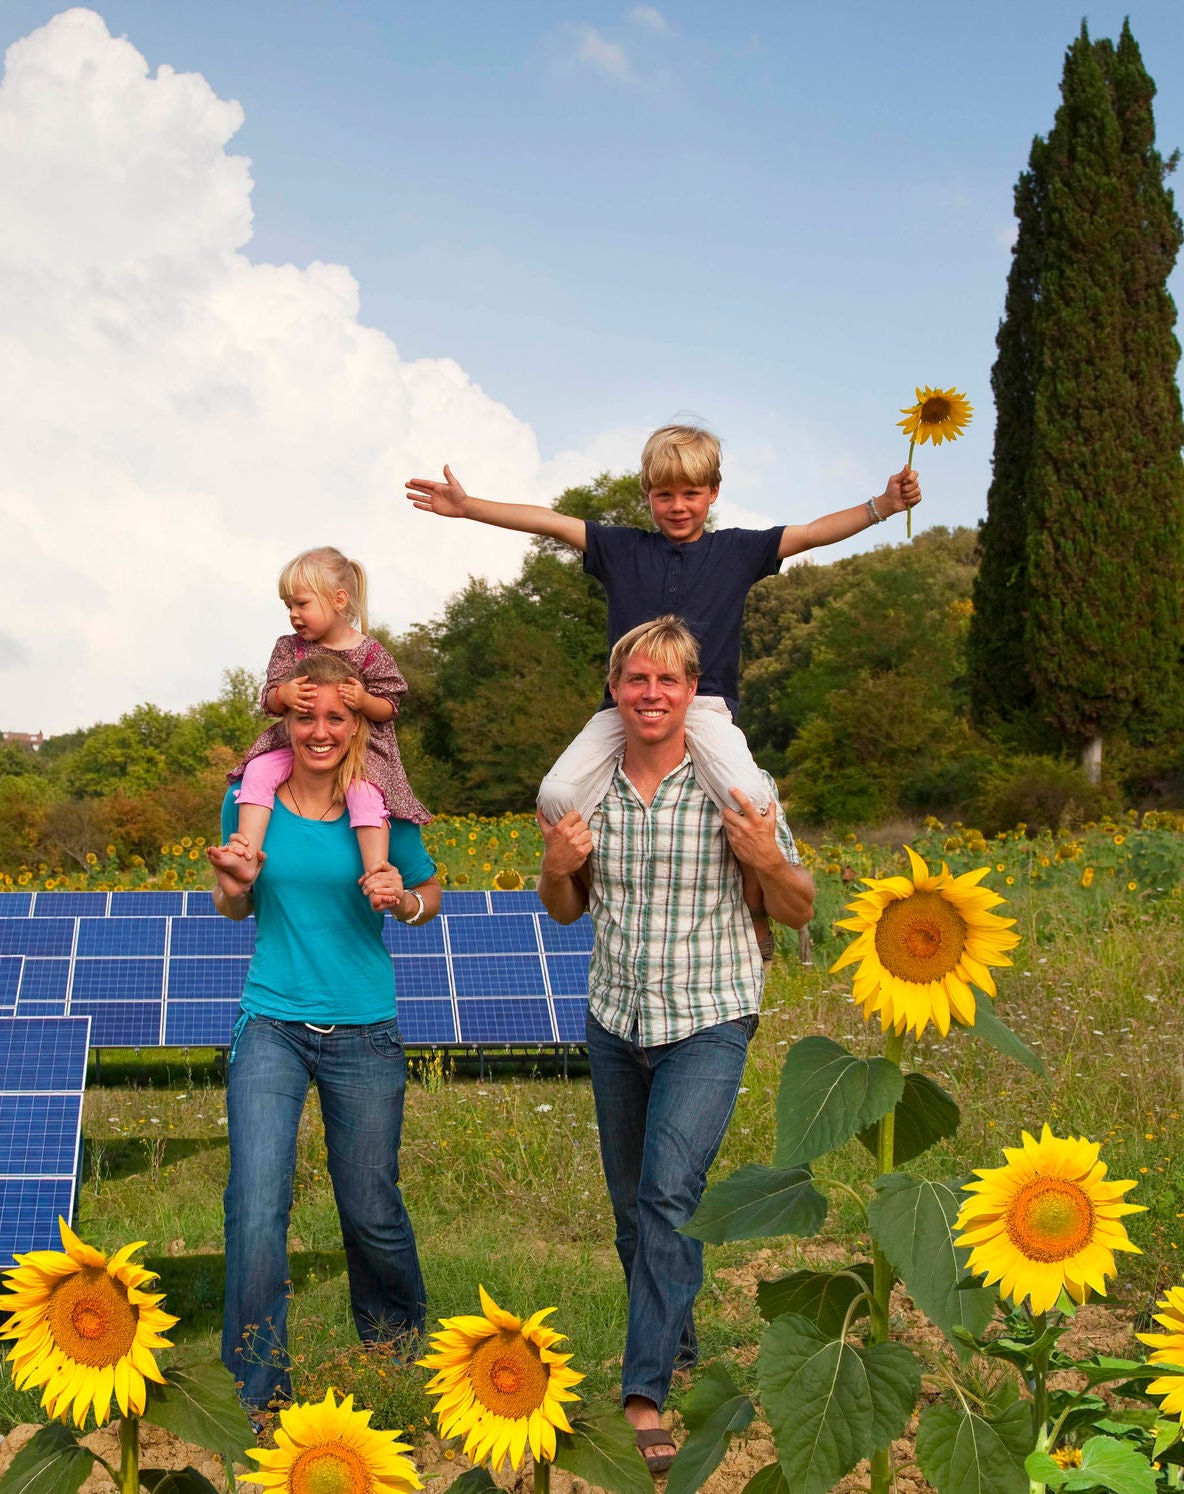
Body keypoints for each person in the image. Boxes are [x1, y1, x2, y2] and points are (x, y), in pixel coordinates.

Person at [408, 423, 913, 953]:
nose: (678, 506)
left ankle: (756, 906)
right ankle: (591, 891)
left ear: (713, 493)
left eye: (691, 494)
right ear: (646, 495)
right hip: (623, 709)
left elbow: (811, 533)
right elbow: (550, 522)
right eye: (664, 494)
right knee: (556, 794)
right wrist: (469, 506)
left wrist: (883, 504)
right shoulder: (621, 549)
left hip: (705, 709)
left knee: (753, 799)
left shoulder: (737, 552)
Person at [536, 616, 814, 1475]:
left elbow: (801, 907)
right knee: (637, 1216)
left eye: (668, 681)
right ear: (615, 694)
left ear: (694, 693)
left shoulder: (737, 791)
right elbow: (565, 910)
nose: (651, 694)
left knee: (666, 1195)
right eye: (635, 681)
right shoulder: (587, 793)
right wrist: (555, 863)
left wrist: (767, 856)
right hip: (616, 1017)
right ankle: (683, 1353)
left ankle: (644, 1392)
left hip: (710, 1015)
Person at [206, 648, 444, 1412]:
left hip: (365, 1029)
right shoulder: (249, 799)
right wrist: (235, 886)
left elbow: (429, 889)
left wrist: (402, 900)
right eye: (304, 715)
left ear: (355, 723)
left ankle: (396, 1354)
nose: (319, 730)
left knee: (370, 1205)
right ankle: (255, 1389)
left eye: (335, 717)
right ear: (285, 717)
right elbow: (233, 906)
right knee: (255, 1201)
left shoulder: (379, 805)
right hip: (271, 1020)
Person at [228, 546, 431, 883]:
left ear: (338, 599)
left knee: (366, 794)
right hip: (294, 743)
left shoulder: (370, 652)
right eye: (288, 605)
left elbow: (390, 706)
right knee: (259, 770)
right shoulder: (289, 648)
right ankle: (246, 853)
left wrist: (364, 700)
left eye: (301, 603)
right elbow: (269, 700)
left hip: (362, 751)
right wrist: (285, 694)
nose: (293, 614)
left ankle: (376, 872)